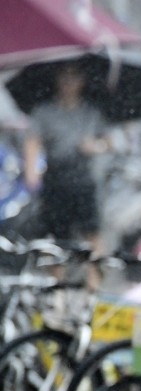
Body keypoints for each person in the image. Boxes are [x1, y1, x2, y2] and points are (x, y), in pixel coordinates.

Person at [22, 60, 110, 279]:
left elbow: (108, 141)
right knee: (55, 235)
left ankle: (93, 284)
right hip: (55, 178)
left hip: (82, 178)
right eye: (65, 76)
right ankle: (57, 285)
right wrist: (31, 173)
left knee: (91, 233)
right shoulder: (45, 111)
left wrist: (95, 146)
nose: (69, 82)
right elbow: (33, 141)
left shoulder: (91, 112)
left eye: (74, 77)